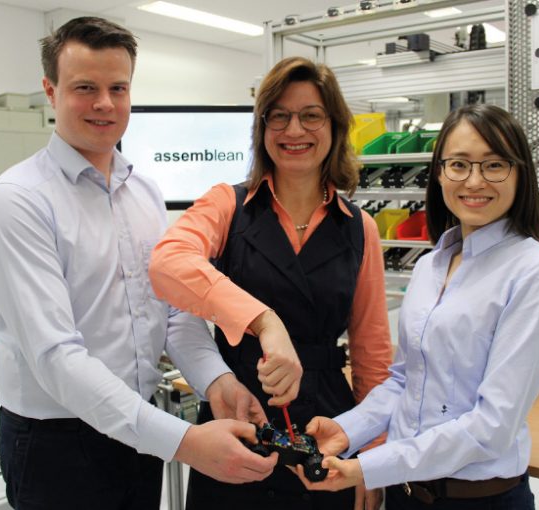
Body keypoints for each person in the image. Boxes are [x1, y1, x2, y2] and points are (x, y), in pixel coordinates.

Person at [0, 17, 278, 510]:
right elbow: (56, 357)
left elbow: (176, 314)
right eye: (84, 88)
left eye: (118, 87)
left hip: (138, 430)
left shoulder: (145, 193)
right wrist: (183, 442)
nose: (105, 104)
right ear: (50, 91)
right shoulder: (17, 201)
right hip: (58, 442)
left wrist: (216, 381)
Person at [291, 104, 539, 509]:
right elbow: (406, 381)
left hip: (479, 500)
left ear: (520, 173)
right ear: (440, 172)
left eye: (494, 165)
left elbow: (491, 427)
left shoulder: (537, 273)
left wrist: (370, 466)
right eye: (458, 164)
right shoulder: (430, 265)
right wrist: (346, 429)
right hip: (407, 492)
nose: (474, 181)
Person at [149, 56, 393, 510]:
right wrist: (265, 322)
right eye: (278, 116)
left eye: (311, 116)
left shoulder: (361, 229)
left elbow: (372, 355)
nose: (293, 130)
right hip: (237, 416)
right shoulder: (228, 204)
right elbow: (168, 263)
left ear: (336, 126)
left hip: (328, 429)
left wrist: (374, 460)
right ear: (262, 129)